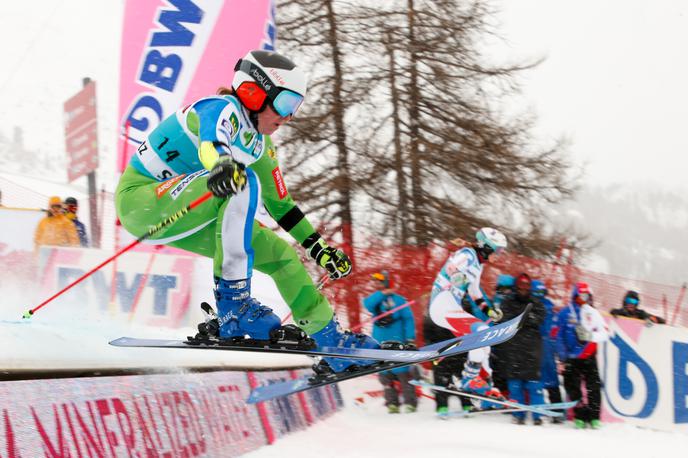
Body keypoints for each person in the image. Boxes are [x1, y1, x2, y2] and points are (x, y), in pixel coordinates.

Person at [115, 49, 378, 373]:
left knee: (282, 255)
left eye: (295, 108)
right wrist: (223, 164)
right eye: (285, 104)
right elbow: (212, 145)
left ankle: (331, 342)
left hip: (193, 209)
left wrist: (318, 248)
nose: (288, 116)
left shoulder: (261, 145)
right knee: (243, 178)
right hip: (142, 201)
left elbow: (281, 205)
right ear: (254, 92)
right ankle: (233, 306)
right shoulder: (218, 109)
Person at [428, 228, 508, 406]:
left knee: (485, 344)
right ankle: (468, 379)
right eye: (498, 250)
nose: (500, 254)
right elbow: (452, 266)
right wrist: (456, 276)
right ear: (487, 247)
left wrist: (489, 311)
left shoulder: (477, 265)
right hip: (442, 304)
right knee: (482, 332)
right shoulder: (468, 254)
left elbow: (475, 293)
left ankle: (487, 384)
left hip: (451, 307)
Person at [362, 270, 417, 413]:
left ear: (386, 281)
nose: (377, 283)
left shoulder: (399, 300)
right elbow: (367, 304)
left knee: (403, 372)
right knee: (385, 373)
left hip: (398, 341)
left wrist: (410, 339)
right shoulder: (375, 299)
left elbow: (408, 319)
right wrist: (383, 294)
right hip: (380, 342)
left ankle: (410, 402)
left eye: (380, 281)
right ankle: (392, 402)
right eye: (375, 281)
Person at [555, 282, 608, 429]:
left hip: (589, 356)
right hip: (571, 358)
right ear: (575, 296)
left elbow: (605, 333)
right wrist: (562, 357)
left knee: (594, 387)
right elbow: (558, 337)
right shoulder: (565, 313)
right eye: (581, 295)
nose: (584, 299)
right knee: (573, 388)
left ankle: (595, 417)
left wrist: (590, 335)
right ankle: (579, 415)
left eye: (587, 296)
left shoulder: (593, 313)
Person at [498, 273, 546, 425]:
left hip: (532, 349)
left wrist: (524, 319)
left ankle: (538, 414)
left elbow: (540, 317)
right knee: (515, 385)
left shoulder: (536, 302)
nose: (523, 289)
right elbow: (506, 319)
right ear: (516, 286)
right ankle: (518, 414)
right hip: (513, 349)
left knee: (534, 385)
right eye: (521, 285)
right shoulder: (508, 301)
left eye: (526, 286)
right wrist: (524, 319)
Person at [532, 279, 565, 423]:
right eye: (537, 292)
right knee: (534, 381)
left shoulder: (549, 307)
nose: (539, 295)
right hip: (533, 347)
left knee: (552, 381)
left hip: (547, 348)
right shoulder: (529, 306)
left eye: (542, 292)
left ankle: (557, 411)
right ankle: (537, 410)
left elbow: (554, 330)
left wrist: (558, 350)